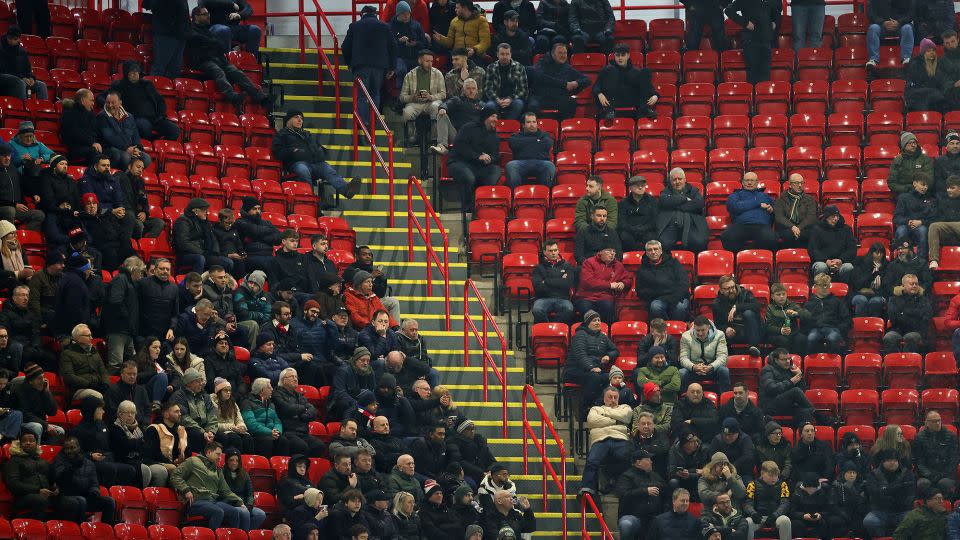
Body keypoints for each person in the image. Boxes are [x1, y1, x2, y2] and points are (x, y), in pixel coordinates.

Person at [186, 7, 272, 112]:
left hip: (217, 59)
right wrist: (212, 44)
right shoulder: (191, 30)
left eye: (208, 13)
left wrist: (210, 44)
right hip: (202, 62)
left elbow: (220, 46)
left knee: (237, 73)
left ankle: (260, 97)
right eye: (204, 14)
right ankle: (231, 96)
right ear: (196, 17)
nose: (208, 16)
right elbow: (207, 43)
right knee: (218, 72)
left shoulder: (208, 30)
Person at [271, 111, 362, 202]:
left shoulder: (307, 134)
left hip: (315, 162)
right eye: (296, 117)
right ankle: (310, 199)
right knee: (302, 169)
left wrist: (320, 151)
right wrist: (292, 151)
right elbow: (278, 152)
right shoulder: (281, 134)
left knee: (327, 169)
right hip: (297, 163)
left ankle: (346, 190)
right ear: (288, 120)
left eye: (301, 118)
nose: (300, 120)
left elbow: (319, 147)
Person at [172, 441, 256, 530]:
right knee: (218, 512)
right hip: (196, 501)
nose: (220, 458)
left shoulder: (217, 469)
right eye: (218, 454)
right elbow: (175, 475)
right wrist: (186, 490)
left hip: (212, 502)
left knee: (234, 511)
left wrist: (240, 501)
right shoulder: (193, 461)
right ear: (208, 452)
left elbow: (225, 491)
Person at [578, 386, 633, 497]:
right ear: (604, 399)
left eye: (615, 397)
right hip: (600, 439)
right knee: (592, 460)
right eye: (610, 397)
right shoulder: (596, 409)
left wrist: (605, 414)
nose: (613, 400)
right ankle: (587, 488)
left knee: (629, 458)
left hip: (620, 438)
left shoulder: (625, 407)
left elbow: (625, 417)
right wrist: (617, 421)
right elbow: (592, 421)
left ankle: (620, 484)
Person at [343, 6, 396, 119]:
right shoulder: (384, 26)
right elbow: (393, 47)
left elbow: (345, 47)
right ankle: (373, 121)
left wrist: (349, 64)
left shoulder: (355, 26)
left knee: (361, 96)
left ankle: (363, 122)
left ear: (362, 14)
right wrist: (392, 67)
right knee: (375, 93)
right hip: (379, 67)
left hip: (361, 66)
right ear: (375, 14)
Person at [106, 61, 179, 141]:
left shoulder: (147, 84)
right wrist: (113, 107)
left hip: (155, 118)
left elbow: (160, 101)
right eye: (132, 71)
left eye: (137, 71)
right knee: (144, 126)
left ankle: (159, 144)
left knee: (174, 130)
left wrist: (160, 116)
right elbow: (102, 97)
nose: (135, 74)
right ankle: (153, 142)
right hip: (136, 118)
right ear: (126, 72)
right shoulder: (119, 85)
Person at [51, 436, 117, 524]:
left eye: (73, 448)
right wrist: (72, 468)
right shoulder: (59, 460)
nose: (70, 451)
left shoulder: (88, 463)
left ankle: (106, 530)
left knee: (109, 501)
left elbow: (94, 483)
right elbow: (60, 479)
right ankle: (80, 528)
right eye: (67, 448)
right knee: (81, 500)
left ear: (78, 448)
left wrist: (94, 492)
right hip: (65, 496)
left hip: (86, 496)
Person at [528, 42, 589, 120]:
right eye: (560, 53)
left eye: (565, 53)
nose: (563, 55)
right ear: (552, 54)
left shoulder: (568, 68)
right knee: (532, 106)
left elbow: (587, 80)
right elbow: (542, 77)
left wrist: (576, 83)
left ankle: (561, 128)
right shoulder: (542, 63)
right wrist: (564, 84)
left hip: (556, 98)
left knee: (571, 102)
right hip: (539, 96)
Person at [594, 44, 657, 120]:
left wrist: (655, 95)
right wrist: (599, 93)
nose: (620, 58)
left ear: (628, 55)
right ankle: (609, 111)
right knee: (609, 70)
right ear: (614, 56)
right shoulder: (607, 70)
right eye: (617, 55)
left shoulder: (636, 71)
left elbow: (647, 87)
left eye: (623, 55)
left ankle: (645, 109)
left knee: (645, 71)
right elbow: (596, 86)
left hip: (632, 102)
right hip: (613, 103)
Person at [725, 0, 781, 84]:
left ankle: (763, 96)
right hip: (751, 41)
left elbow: (777, 10)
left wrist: (775, 23)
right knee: (752, 75)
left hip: (766, 41)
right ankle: (753, 96)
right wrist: (745, 23)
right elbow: (728, 11)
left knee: (765, 75)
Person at [864, 449, 916, 537]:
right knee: (869, 521)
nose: (893, 463)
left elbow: (910, 495)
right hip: (880, 511)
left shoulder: (907, 474)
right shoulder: (873, 475)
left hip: (902, 511)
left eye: (895, 460)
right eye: (889, 460)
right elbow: (874, 494)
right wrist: (897, 490)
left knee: (912, 519)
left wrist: (887, 492)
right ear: (883, 462)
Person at [273, 368, 325, 457]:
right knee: (301, 447)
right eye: (292, 376)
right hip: (287, 432)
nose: (295, 379)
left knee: (319, 445)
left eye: (296, 377)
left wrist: (303, 416)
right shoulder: (277, 393)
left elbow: (313, 410)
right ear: (284, 380)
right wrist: (303, 408)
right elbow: (287, 408)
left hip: (303, 432)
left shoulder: (299, 395)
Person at [615, 449, 665, 540]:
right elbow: (623, 494)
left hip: (654, 517)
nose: (651, 461)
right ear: (638, 462)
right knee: (626, 524)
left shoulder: (655, 476)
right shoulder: (626, 476)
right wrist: (645, 491)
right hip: (634, 516)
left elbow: (665, 491)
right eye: (648, 459)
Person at [721, 172, 776, 252]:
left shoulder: (765, 196)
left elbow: (776, 209)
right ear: (742, 182)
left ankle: (757, 257)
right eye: (747, 180)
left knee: (771, 238)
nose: (749, 183)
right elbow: (734, 207)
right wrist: (758, 204)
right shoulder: (735, 195)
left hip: (762, 226)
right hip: (740, 225)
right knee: (727, 236)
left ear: (757, 183)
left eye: (752, 180)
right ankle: (740, 257)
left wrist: (772, 210)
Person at [759, 348, 815, 427]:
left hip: (786, 405)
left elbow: (802, 391)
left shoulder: (791, 370)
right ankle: (819, 415)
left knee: (805, 412)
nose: (788, 361)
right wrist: (791, 382)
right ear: (776, 360)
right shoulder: (767, 369)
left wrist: (799, 376)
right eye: (784, 359)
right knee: (795, 391)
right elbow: (771, 388)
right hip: (770, 405)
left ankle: (804, 436)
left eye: (789, 359)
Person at [96, 92, 152, 170]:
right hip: (111, 148)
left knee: (146, 158)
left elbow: (135, 134)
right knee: (126, 157)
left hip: (129, 149)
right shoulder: (102, 116)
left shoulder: (129, 116)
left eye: (113, 103)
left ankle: (132, 179)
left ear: (120, 103)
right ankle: (122, 178)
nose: (110, 105)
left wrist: (137, 148)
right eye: (108, 102)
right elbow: (110, 137)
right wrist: (126, 148)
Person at [657, 168, 708, 253]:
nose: (677, 182)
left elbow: (699, 204)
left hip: (692, 225)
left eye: (680, 179)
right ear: (670, 181)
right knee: (663, 244)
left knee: (699, 242)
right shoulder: (666, 191)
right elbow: (663, 201)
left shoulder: (693, 190)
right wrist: (684, 199)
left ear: (685, 179)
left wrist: (674, 204)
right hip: (670, 225)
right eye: (674, 180)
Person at [170, 367, 219, 455]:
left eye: (201, 381)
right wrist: (203, 432)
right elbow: (184, 418)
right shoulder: (179, 396)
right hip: (189, 429)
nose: (201, 384)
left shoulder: (205, 396)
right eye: (198, 381)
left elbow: (212, 414)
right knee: (197, 435)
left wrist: (211, 431)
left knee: (225, 436)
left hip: (205, 429)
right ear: (189, 383)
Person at [432, 76, 484, 156]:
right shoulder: (457, 100)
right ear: (463, 90)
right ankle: (442, 146)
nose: (471, 91)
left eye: (473, 89)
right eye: (468, 88)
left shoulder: (482, 105)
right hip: (457, 136)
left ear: (477, 91)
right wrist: (443, 108)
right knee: (441, 115)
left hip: (473, 138)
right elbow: (446, 104)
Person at [241, 378, 293, 457]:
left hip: (271, 434)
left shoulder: (271, 404)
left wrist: (277, 431)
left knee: (283, 440)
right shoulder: (247, 403)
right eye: (269, 387)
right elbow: (251, 424)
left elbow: (277, 421)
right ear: (261, 390)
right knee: (267, 441)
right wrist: (269, 432)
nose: (272, 389)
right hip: (256, 435)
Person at [679, 315, 731, 393]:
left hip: (712, 369)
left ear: (708, 327)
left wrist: (711, 366)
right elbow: (683, 358)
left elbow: (722, 357)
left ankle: (724, 399)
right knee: (682, 373)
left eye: (703, 330)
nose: (700, 333)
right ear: (694, 327)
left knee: (724, 371)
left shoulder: (720, 335)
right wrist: (693, 367)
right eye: (697, 330)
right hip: (694, 370)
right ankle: (684, 400)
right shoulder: (686, 336)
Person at [802, 272, 851, 354]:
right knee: (811, 338)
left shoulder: (837, 302)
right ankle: (812, 364)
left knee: (833, 338)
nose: (825, 288)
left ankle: (835, 364)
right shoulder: (809, 303)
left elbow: (847, 320)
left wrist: (838, 329)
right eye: (822, 285)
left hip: (833, 329)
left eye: (827, 285)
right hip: (815, 329)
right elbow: (805, 321)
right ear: (816, 286)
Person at [883, 273, 932, 353]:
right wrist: (914, 314)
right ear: (903, 286)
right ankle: (894, 362)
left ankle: (908, 363)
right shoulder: (893, 300)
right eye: (911, 284)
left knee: (911, 337)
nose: (914, 286)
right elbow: (893, 318)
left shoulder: (924, 300)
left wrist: (903, 313)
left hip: (917, 330)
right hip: (898, 330)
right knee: (888, 337)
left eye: (916, 284)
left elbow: (926, 317)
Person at [907, 38, 960, 111]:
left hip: (936, 95)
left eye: (933, 51)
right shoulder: (916, 64)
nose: (932, 53)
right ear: (923, 53)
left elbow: (944, 80)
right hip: (920, 95)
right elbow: (918, 83)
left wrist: (953, 85)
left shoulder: (939, 63)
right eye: (928, 51)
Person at [914, 410, 958, 497]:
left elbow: (954, 459)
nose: (937, 423)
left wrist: (943, 474)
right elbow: (919, 461)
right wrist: (929, 474)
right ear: (926, 423)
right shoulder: (919, 437)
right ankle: (927, 505)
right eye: (934, 421)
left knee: (945, 483)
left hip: (946, 474)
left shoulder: (951, 436)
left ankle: (944, 506)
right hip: (926, 474)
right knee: (923, 484)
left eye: (939, 420)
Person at [399, 49, 446, 130]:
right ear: (420, 61)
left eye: (431, 61)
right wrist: (413, 97)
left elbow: (443, 94)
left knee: (436, 107)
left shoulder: (438, 73)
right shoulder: (409, 75)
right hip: (415, 103)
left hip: (432, 102)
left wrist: (430, 97)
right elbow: (402, 97)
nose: (430, 64)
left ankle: (434, 139)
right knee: (407, 112)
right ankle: (411, 138)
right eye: (427, 61)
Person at [142, 401, 188, 484]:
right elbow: (154, 453)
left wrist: (180, 459)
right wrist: (172, 463)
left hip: (174, 463)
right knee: (173, 469)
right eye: (176, 412)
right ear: (166, 414)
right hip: (155, 462)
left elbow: (187, 450)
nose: (180, 414)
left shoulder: (180, 430)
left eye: (180, 411)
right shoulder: (154, 429)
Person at [505, 112, 555, 188]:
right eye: (528, 122)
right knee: (511, 165)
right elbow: (513, 144)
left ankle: (545, 193)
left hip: (541, 162)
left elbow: (547, 144)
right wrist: (537, 141)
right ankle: (514, 195)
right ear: (523, 125)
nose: (532, 125)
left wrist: (524, 142)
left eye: (534, 122)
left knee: (549, 165)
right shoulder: (515, 136)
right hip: (521, 163)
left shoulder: (545, 135)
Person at [743, 461, 791, 540]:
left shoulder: (783, 485)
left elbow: (785, 504)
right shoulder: (752, 485)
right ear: (762, 474)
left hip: (776, 517)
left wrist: (775, 515)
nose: (774, 478)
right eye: (770, 475)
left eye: (776, 475)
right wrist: (753, 513)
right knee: (748, 522)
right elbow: (747, 504)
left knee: (785, 520)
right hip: (758, 517)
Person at [808, 205, 857, 281]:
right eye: (833, 216)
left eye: (837, 216)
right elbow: (813, 250)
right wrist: (826, 261)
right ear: (826, 217)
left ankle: (847, 291)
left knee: (848, 267)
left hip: (841, 262)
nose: (836, 219)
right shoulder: (816, 229)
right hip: (823, 261)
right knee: (821, 267)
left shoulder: (846, 229)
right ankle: (820, 291)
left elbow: (852, 249)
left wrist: (841, 260)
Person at [712, 275, 762, 349]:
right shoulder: (717, 303)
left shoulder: (745, 293)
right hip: (734, 331)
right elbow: (718, 324)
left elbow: (757, 306)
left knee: (748, 313)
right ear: (721, 290)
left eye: (733, 287)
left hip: (751, 329)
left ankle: (754, 348)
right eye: (727, 289)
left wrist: (737, 307)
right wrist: (726, 329)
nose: (731, 291)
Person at [0, 144, 42, 231]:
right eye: (4, 156)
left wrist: (33, 194)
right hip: (4, 207)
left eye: (9, 155)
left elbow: (23, 185)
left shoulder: (13, 169)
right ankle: (9, 238)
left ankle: (23, 238)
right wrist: (14, 205)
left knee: (39, 215)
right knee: (10, 210)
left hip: (17, 208)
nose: (7, 158)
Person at [895, 175, 938, 259]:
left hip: (922, 226)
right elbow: (896, 217)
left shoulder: (932, 200)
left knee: (923, 230)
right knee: (901, 230)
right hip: (906, 225)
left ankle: (920, 261)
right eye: (923, 184)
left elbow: (934, 219)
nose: (925, 187)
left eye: (927, 185)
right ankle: (901, 260)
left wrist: (921, 222)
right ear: (915, 183)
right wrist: (908, 221)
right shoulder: (903, 198)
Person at [482, 43, 528, 121]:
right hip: (495, 99)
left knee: (519, 104)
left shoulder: (519, 67)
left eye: (507, 54)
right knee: (489, 106)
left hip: (513, 99)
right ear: (497, 54)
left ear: (511, 54)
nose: (505, 56)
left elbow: (523, 89)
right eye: (502, 54)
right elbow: (487, 88)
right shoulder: (491, 67)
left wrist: (510, 99)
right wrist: (497, 99)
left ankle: (508, 125)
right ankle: (497, 126)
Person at [0, 27, 48, 100]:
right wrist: (21, 78)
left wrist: (31, 78)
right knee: (20, 83)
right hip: (3, 77)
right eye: (10, 38)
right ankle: (24, 109)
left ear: (19, 39)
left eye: (15, 39)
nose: (12, 41)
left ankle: (42, 110)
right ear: (7, 36)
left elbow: (28, 68)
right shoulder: (1, 48)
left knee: (41, 86)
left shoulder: (22, 51)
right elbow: (4, 69)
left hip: (20, 78)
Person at [772, 173, 818, 249]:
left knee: (812, 234)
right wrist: (792, 227)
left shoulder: (810, 199)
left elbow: (811, 217)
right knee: (788, 235)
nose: (800, 185)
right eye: (796, 183)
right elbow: (779, 217)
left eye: (802, 183)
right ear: (790, 185)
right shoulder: (781, 199)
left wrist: (799, 228)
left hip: (804, 228)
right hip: (786, 228)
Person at [391, 1, 429, 90]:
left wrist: (414, 44)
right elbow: (389, 45)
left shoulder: (416, 25)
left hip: (414, 56)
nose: (406, 16)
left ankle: (415, 99)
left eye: (408, 13)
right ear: (398, 14)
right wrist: (399, 41)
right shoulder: (391, 26)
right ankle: (401, 99)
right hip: (399, 57)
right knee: (401, 71)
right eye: (403, 14)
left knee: (417, 74)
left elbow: (424, 43)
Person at [866, 0, 915, 67]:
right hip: (881, 25)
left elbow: (912, 13)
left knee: (907, 28)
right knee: (873, 28)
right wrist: (883, 22)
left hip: (901, 25)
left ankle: (906, 58)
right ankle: (873, 59)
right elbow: (870, 13)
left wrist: (899, 22)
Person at [705, 418, 755, 483]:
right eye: (725, 434)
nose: (727, 438)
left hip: (741, 473)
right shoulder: (717, 440)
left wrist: (731, 467)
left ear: (737, 433)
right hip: (719, 472)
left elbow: (748, 457)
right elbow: (712, 456)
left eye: (730, 435)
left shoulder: (745, 440)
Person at [828, 460, 867, 538]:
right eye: (849, 472)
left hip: (856, 513)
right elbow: (832, 504)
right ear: (844, 473)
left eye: (854, 473)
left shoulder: (862, 486)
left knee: (862, 522)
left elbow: (862, 503)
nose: (852, 475)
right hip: (840, 513)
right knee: (835, 521)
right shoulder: (836, 485)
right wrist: (842, 514)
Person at [618, 177, 658, 250]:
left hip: (647, 230)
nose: (640, 187)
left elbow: (654, 220)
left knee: (651, 237)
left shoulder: (652, 201)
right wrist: (633, 229)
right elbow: (622, 221)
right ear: (630, 188)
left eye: (642, 185)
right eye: (637, 185)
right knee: (624, 236)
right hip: (630, 231)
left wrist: (643, 228)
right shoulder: (623, 202)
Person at [789, 472, 830, 539]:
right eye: (809, 488)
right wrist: (802, 515)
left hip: (817, 519)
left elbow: (827, 510)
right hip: (800, 519)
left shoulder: (822, 493)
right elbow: (792, 512)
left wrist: (820, 514)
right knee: (797, 525)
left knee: (824, 523)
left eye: (813, 488)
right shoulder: (797, 494)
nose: (811, 490)